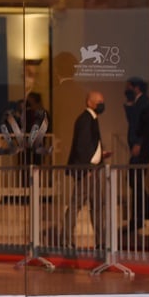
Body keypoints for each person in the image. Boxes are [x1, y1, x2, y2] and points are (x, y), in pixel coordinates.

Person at [63, 91, 111, 253]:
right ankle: (67, 240)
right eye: (99, 101)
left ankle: (101, 242)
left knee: (98, 206)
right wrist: (87, 167)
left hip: (94, 170)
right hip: (87, 171)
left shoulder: (92, 119)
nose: (101, 104)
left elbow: (90, 144)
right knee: (76, 204)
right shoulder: (85, 119)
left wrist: (101, 155)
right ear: (90, 102)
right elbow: (82, 146)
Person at [123, 76, 149, 237]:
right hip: (139, 147)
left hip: (143, 148)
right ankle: (145, 213)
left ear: (136, 88)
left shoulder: (145, 102)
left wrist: (138, 143)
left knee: (134, 179)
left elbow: (146, 124)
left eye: (129, 87)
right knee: (134, 180)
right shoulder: (138, 102)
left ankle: (144, 214)